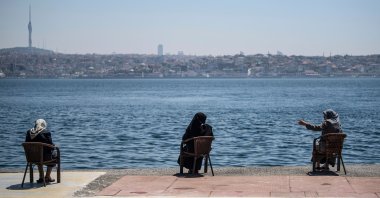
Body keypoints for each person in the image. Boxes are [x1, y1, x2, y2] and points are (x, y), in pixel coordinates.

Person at [25, 119, 57, 183]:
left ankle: (41, 177)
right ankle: (47, 177)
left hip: (31, 158)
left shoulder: (28, 132)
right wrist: (54, 146)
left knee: (38, 156)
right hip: (45, 158)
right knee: (55, 155)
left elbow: (26, 143)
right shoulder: (46, 132)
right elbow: (50, 145)